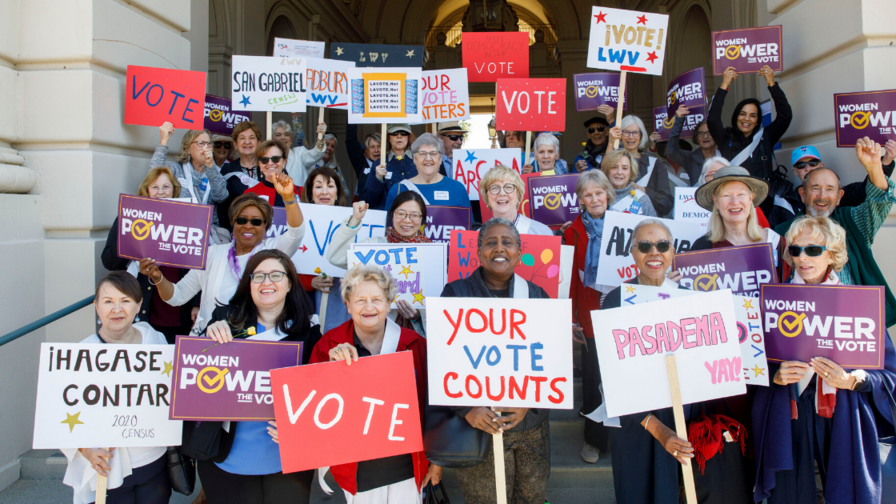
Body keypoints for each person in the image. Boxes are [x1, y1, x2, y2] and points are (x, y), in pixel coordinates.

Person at [752, 215, 896, 503]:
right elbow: (749, 367)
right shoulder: (771, 302)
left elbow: (889, 374)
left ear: (833, 254)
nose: (802, 258)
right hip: (789, 413)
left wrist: (854, 380)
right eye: (795, 250)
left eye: (813, 250)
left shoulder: (857, 303)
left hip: (843, 413)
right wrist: (775, 376)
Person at [440, 218, 551, 504]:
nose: (499, 248)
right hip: (480, 428)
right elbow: (442, 359)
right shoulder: (456, 294)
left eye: (507, 242)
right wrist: (467, 408)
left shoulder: (538, 296)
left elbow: (551, 359)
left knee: (532, 499)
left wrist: (530, 401)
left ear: (518, 251)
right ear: (479, 252)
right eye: (491, 242)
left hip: (531, 426)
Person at [307, 264, 439, 503]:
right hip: (358, 469)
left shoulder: (415, 344)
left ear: (389, 304)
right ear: (347, 304)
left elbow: (433, 407)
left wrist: (436, 461)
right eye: (360, 300)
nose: (369, 307)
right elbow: (312, 402)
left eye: (377, 299)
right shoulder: (329, 344)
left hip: (407, 466)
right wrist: (331, 366)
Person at [200, 249, 322, 504]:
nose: (267, 282)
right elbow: (197, 381)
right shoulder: (224, 320)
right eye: (259, 276)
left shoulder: (309, 332)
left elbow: (322, 395)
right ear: (249, 283)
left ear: (290, 283)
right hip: (228, 458)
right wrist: (206, 339)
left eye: (276, 275)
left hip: (288, 461)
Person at [601, 219, 693, 504]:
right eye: (644, 246)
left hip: (681, 415)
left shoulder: (690, 300)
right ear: (633, 253)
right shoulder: (615, 300)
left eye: (662, 245)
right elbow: (609, 374)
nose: (654, 252)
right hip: (634, 421)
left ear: (672, 251)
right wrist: (653, 426)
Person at [62, 272, 172, 504]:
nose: (117, 309)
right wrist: (86, 450)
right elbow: (62, 414)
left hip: (153, 463)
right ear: (96, 306)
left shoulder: (156, 340)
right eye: (108, 301)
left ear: (139, 304)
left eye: (125, 301)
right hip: (106, 467)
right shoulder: (81, 354)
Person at [147, 184, 305, 335]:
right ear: (232, 223)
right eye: (241, 220)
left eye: (256, 222)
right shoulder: (212, 254)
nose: (248, 226)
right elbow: (177, 296)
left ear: (266, 226)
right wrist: (157, 277)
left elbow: (296, 233)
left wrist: (288, 198)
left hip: (253, 341)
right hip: (209, 341)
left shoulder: (273, 252)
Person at [774, 137, 896, 325]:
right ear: (802, 194)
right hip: (804, 326)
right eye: (815, 188)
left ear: (839, 197)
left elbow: (879, 201)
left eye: (830, 189)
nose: (822, 196)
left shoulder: (852, 221)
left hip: (856, 325)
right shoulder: (782, 232)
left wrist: (874, 167)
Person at [101, 167, 199, 343]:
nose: (160, 192)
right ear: (146, 191)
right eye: (155, 187)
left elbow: (196, 266)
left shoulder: (188, 217)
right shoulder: (129, 217)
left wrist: (195, 303)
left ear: (174, 190)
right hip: (144, 306)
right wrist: (132, 232)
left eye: (166, 187)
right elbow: (108, 261)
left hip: (178, 307)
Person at [562, 170, 617, 464]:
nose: (594, 199)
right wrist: (571, 317)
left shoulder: (627, 226)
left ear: (607, 193)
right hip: (591, 315)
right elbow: (571, 277)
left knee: (622, 378)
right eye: (588, 194)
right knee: (594, 380)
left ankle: (623, 438)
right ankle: (593, 440)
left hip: (623, 312)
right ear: (581, 199)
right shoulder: (572, 232)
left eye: (599, 193)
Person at [326, 192, 430, 334]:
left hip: (419, 337)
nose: (407, 220)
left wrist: (417, 317)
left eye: (414, 215)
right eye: (401, 213)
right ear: (392, 215)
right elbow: (336, 257)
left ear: (422, 219)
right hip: (378, 333)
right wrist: (354, 220)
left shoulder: (432, 253)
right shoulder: (375, 246)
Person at [707, 65, 793, 225]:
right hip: (734, 207)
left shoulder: (765, 136)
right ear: (736, 116)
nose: (747, 119)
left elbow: (785, 116)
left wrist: (772, 84)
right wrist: (724, 85)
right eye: (743, 114)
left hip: (764, 207)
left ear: (758, 120)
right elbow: (712, 120)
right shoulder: (725, 138)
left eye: (753, 116)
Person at [691, 166, 784, 267]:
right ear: (716, 201)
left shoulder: (776, 243)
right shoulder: (702, 248)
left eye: (741, 194)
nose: (735, 202)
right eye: (726, 195)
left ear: (750, 198)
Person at [152, 122, 229, 240]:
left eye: (209, 144)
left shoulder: (215, 171)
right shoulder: (176, 169)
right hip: (178, 231)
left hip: (207, 236)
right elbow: (153, 178)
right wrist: (163, 141)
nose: (205, 148)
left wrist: (210, 166)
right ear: (187, 149)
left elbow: (221, 196)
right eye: (201, 143)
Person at [298, 166, 349, 329]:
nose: (325, 192)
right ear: (311, 193)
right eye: (319, 186)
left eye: (330, 186)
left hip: (341, 301)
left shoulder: (351, 223)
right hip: (310, 302)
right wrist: (310, 282)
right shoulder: (298, 225)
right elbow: (288, 268)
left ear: (338, 193)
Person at [782, 142, 896, 214]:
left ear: (822, 166)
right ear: (795, 172)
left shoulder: (842, 196)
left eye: (813, 163)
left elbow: (868, 191)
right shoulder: (784, 204)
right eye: (801, 166)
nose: (808, 168)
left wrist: (884, 163)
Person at [383, 132, 471, 212]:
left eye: (433, 154)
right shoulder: (398, 189)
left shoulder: (457, 189)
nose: (428, 159)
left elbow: (467, 227)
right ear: (414, 158)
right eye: (422, 154)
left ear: (440, 158)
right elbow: (389, 227)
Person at [608, 115, 674, 215]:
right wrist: (610, 143)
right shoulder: (612, 162)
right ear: (620, 135)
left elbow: (667, 204)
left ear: (641, 136)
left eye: (635, 133)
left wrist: (643, 190)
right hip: (618, 225)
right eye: (626, 132)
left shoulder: (655, 165)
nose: (630, 137)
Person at [479, 164, 553, 235]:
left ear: (518, 195)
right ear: (487, 198)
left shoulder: (542, 233)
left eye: (508, 187)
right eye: (494, 188)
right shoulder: (478, 237)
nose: (502, 193)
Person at [360, 124, 417, 210]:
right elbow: (369, 201)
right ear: (388, 138)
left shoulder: (419, 161)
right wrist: (377, 179)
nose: (399, 136)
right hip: (387, 217)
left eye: (403, 133)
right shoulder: (379, 164)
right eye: (394, 133)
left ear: (409, 137)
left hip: (414, 215)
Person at [219, 121, 263, 230]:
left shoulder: (268, 168)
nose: (247, 142)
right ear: (235, 144)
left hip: (265, 228)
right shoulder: (227, 169)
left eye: (252, 138)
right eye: (242, 138)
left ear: (259, 143)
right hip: (236, 229)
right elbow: (222, 205)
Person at [667, 105, 721, 186]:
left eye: (709, 133)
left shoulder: (724, 156)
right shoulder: (690, 158)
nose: (705, 137)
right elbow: (671, 151)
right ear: (696, 138)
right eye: (700, 134)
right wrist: (679, 119)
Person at [240, 140, 301, 206]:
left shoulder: (300, 191)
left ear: (284, 162)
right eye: (264, 160)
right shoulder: (249, 194)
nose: (270, 163)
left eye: (275, 159)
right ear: (260, 165)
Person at [602, 149, 657, 216]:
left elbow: (653, 225)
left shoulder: (642, 198)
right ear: (607, 171)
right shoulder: (598, 196)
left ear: (631, 172)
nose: (619, 172)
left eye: (624, 168)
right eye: (614, 167)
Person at [273, 119, 327, 187]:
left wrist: (321, 137)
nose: (283, 137)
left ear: (291, 139)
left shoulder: (299, 153)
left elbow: (316, 154)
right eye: (278, 135)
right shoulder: (268, 159)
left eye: (287, 134)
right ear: (272, 139)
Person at [573, 107, 615, 172]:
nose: (596, 132)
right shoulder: (580, 159)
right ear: (588, 134)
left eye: (600, 129)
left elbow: (621, 136)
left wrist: (612, 121)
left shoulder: (616, 152)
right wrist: (578, 173)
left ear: (606, 131)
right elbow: (574, 181)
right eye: (591, 130)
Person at [345, 125, 381, 199]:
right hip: (365, 209)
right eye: (372, 147)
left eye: (379, 146)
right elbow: (351, 140)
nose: (376, 150)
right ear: (367, 150)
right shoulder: (362, 165)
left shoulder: (390, 165)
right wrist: (351, 115)